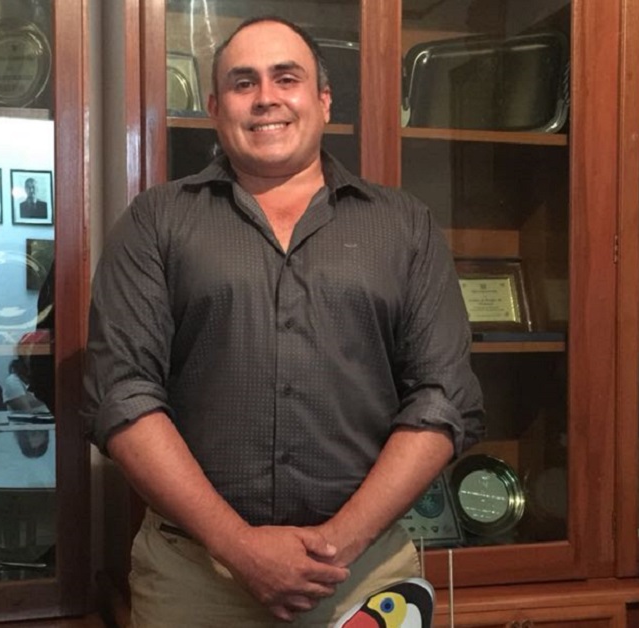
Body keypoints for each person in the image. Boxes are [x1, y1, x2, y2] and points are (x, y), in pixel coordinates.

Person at [82, 16, 485, 627]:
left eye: (286, 78)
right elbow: (122, 396)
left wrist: (337, 545)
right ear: (215, 107)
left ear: (323, 100)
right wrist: (239, 547)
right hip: (197, 577)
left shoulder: (404, 226)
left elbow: (442, 399)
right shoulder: (155, 223)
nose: (266, 97)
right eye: (243, 83)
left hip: (363, 574)